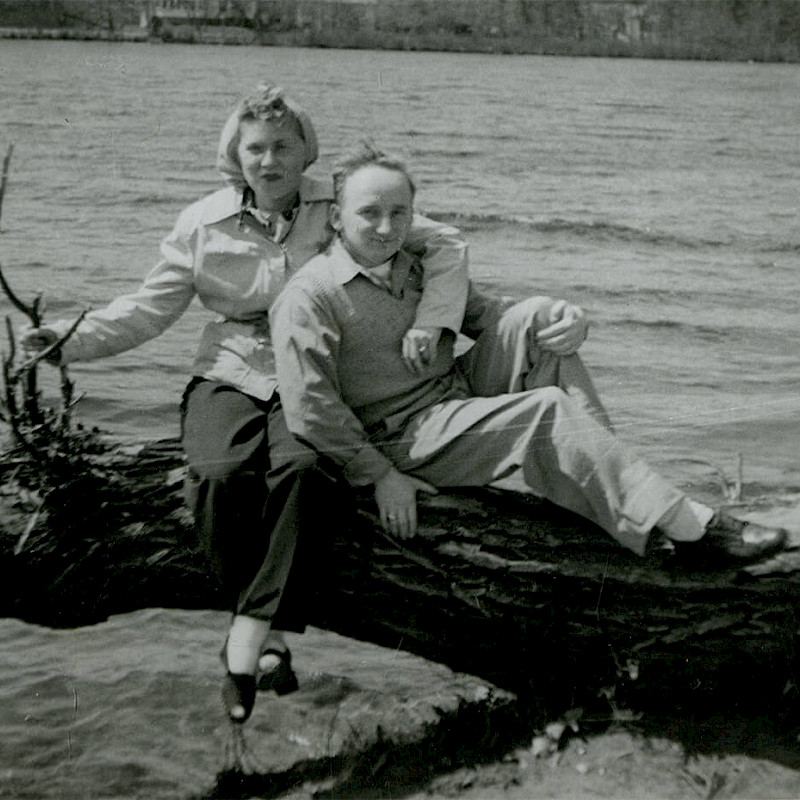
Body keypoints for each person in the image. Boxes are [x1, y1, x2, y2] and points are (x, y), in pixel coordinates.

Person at [20, 86, 470, 724]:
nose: (269, 160)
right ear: (235, 153)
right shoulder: (202, 224)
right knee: (217, 474)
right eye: (254, 147)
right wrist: (68, 342)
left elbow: (445, 243)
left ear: (304, 149)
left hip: (314, 377)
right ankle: (271, 633)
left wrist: (436, 320)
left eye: (283, 145)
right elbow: (147, 311)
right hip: (230, 370)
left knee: (305, 471)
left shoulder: (339, 206)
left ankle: (247, 638)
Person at [271, 142, 787, 568]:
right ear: (337, 218)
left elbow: (490, 316)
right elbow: (309, 407)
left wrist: (567, 317)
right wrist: (380, 476)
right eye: (370, 214)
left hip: (453, 397)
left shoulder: (415, 265)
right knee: (546, 409)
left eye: (399, 212)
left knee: (539, 319)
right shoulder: (310, 295)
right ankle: (687, 525)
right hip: (402, 437)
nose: (387, 227)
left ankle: (620, 498)